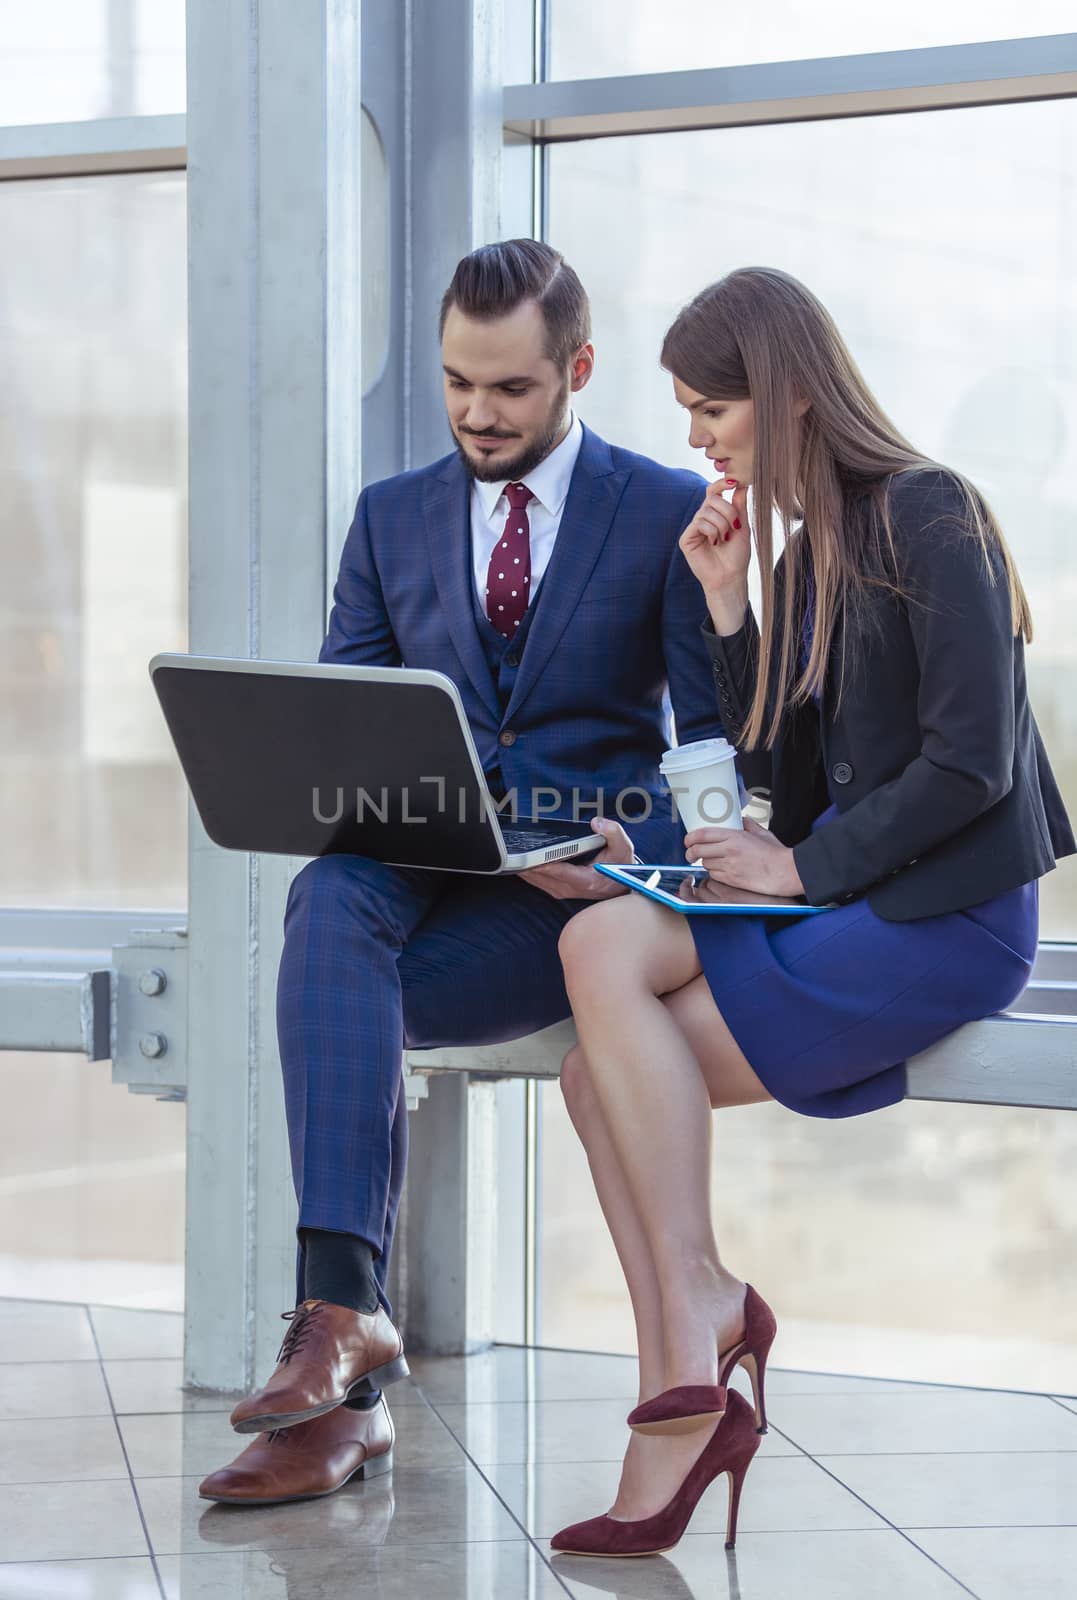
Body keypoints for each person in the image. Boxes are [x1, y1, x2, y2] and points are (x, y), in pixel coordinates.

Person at [549, 266, 1076, 1559]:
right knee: (590, 985)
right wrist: (732, 613)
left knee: (593, 1051)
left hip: (945, 921)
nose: (694, 439)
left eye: (705, 408)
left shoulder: (933, 511)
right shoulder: (809, 549)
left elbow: (974, 764)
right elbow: (776, 783)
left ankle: (690, 1343)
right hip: (847, 895)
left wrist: (801, 869)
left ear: (778, 395)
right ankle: (699, 1312)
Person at [198, 240, 723, 1506]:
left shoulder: (661, 510)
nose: (479, 414)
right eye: (457, 385)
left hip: (569, 902)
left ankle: (344, 1401)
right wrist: (466, 823)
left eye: (512, 390)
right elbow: (357, 720)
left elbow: (708, 739)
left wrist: (654, 858)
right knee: (324, 894)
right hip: (427, 856)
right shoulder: (390, 515)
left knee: (340, 986)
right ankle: (345, 1320)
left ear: (577, 369)